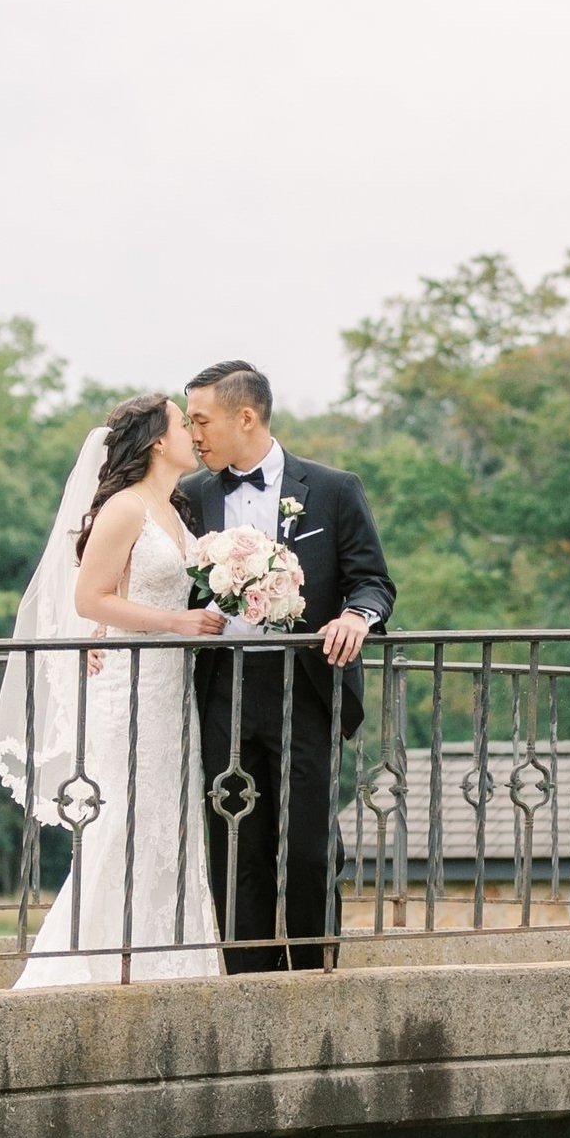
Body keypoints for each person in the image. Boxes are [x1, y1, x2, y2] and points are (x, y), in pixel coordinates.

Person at [0, 394, 228, 985]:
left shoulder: (174, 506)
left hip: (172, 690)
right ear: (155, 442)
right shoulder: (125, 508)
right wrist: (177, 625)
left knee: (167, 822)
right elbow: (88, 598)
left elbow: (139, 589)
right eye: (181, 424)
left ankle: (168, 958)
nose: (192, 435)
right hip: (129, 685)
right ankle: (90, 964)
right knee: (120, 818)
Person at [176, 360, 395, 972]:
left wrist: (358, 617)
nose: (195, 435)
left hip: (307, 686)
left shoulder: (332, 488)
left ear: (245, 416)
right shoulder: (189, 496)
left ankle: (314, 974)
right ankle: (246, 977)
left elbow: (374, 581)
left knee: (307, 845)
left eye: (202, 420)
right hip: (223, 688)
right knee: (231, 841)